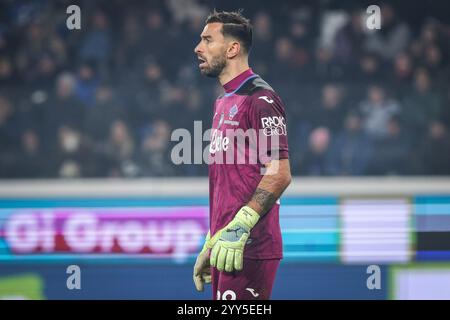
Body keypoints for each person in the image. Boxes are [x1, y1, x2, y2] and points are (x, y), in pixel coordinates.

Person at [192, 10, 292, 300]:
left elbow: (280, 172)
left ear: (233, 48)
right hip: (226, 246)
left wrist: (240, 226)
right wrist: (212, 241)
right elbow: (230, 185)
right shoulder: (222, 103)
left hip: (250, 246)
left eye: (208, 40)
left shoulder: (262, 99)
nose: (198, 48)